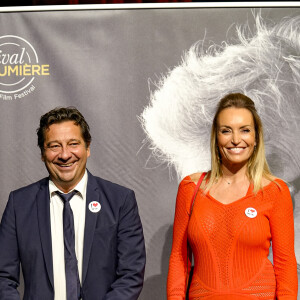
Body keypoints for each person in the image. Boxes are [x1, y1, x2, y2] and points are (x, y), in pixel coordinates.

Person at [0, 107, 146, 300]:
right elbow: (3, 277)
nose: (65, 155)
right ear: (43, 153)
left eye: (73, 144)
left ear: (87, 147)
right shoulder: (19, 204)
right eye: (54, 146)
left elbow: (131, 274)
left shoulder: (120, 200)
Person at [167, 93, 298, 299]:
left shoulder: (274, 191)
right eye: (226, 131)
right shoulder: (190, 188)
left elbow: (285, 263)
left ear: (256, 138)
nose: (236, 140)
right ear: (216, 137)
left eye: (245, 130)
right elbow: (179, 258)